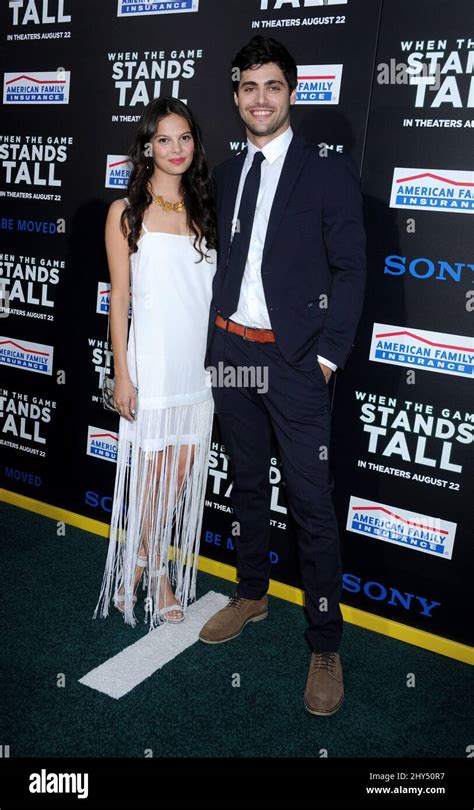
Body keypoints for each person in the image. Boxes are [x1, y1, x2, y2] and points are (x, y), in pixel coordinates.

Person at [199, 36, 366, 716]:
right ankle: (252, 593)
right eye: (249, 88)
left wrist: (326, 357)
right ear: (236, 97)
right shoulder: (230, 170)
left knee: (311, 505)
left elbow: (352, 271)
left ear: (291, 93)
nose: (260, 98)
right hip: (233, 354)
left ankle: (325, 641)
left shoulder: (326, 171)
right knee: (244, 481)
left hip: (294, 364)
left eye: (272, 86)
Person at [93, 97, 216, 630]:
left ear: (195, 143)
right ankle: (160, 573)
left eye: (184, 137)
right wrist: (122, 373)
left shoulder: (209, 207)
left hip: (200, 366)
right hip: (153, 361)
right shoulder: (125, 212)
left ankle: (137, 561)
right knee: (152, 473)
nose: (175, 149)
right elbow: (119, 298)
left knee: (179, 472)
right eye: (163, 139)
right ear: (147, 146)